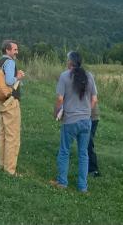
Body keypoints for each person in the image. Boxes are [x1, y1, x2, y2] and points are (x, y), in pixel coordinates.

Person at [50, 51, 97, 192]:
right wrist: (87, 111)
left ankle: (62, 182)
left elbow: (59, 99)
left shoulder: (65, 76)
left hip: (70, 120)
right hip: (86, 121)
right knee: (83, 154)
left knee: (64, 151)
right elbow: (94, 99)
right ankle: (83, 187)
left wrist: (56, 113)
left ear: (70, 62)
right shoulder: (89, 76)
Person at [0, 40, 25, 176]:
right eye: (15, 49)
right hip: (11, 102)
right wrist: (18, 76)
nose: (17, 52)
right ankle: (10, 170)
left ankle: (3, 165)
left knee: (2, 135)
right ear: (7, 50)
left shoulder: (0, 62)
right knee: (12, 136)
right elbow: (8, 81)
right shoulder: (10, 62)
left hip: (0, 102)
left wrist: (15, 77)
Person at [88, 105, 101, 177]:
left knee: (88, 143)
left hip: (92, 117)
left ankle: (93, 169)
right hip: (82, 116)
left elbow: (94, 99)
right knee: (86, 143)